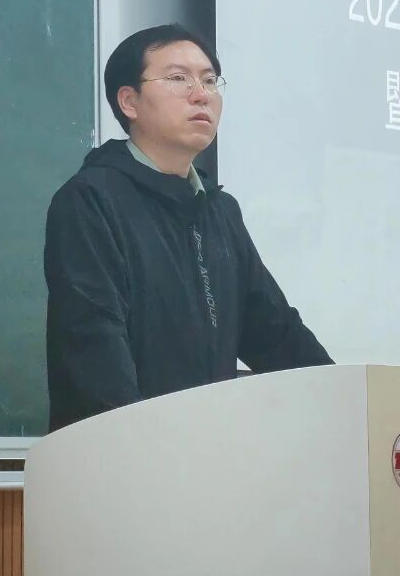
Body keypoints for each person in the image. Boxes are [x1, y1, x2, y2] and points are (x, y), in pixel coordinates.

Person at [44, 24, 332, 430]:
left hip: (208, 450)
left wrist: (346, 405)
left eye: (210, 81)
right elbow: (93, 343)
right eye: (179, 79)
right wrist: (145, 444)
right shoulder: (91, 200)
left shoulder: (220, 212)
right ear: (129, 101)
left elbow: (276, 333)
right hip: (124, 453)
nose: (201, 95)